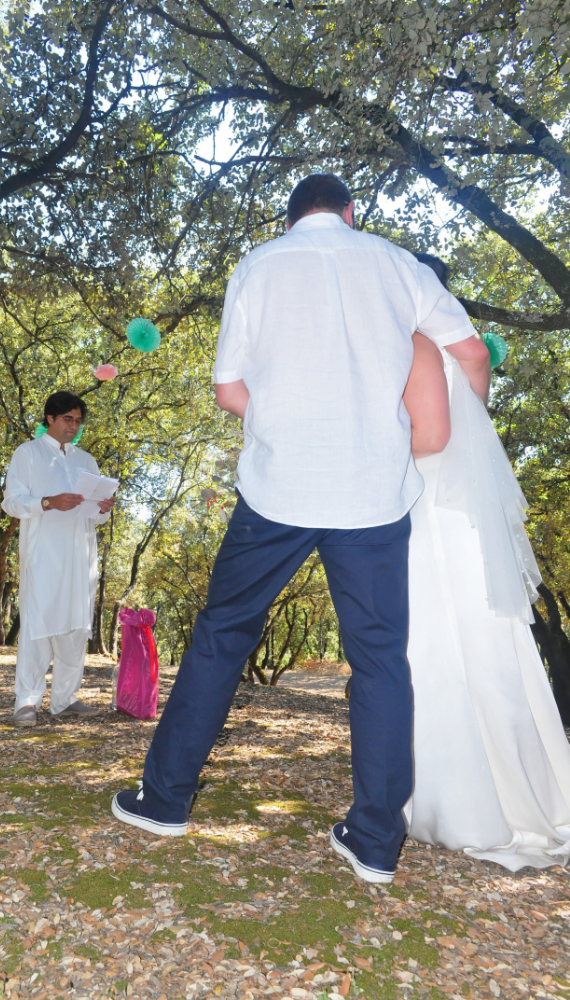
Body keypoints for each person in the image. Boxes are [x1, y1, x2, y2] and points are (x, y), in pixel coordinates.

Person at [111, 173, 490, 884]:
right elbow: (470, 353)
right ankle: (375, 842)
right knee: (380, 661)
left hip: (277, 491)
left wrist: (282, 419)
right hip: (373, 497)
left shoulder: (258, 265)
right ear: (351, 212)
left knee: (221, 638)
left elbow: (228, 389)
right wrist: (471, 435)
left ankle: (163, 801)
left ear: (289, 220)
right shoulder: (395, 262)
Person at [402, 255, 570, 871]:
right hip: (462, 509)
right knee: (487, 643)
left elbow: (431, 438)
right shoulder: (462, 348)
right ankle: (529, 792)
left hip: (429, 507)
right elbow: (467, 423)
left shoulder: (415, 342)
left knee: (436, 642)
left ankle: (461, 803)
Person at [2, 391, 115, 727]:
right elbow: (12, 503)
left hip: (81, 558)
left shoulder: (86, 460)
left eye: (78, 421)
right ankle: (27, 702)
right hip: (43, 555)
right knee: (38, 625)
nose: (74, 426)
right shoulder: (28, 453)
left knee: (76, 628)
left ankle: (65, 698)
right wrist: (48, 502)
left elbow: (98, 517)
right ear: (50, 418)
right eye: (68, 419)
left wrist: (104, 508)